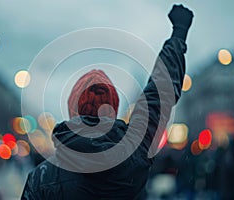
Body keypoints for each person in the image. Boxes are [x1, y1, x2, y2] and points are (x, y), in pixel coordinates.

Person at [22, 4, 193, 199]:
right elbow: (159, 93)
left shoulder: (42, 177)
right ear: (113, 110)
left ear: (73, 110)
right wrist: (178, 35)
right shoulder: (133, 154)